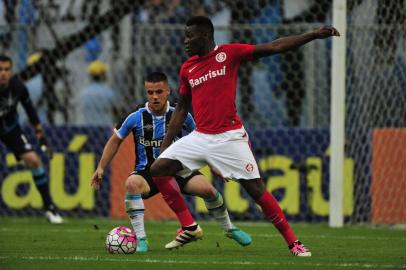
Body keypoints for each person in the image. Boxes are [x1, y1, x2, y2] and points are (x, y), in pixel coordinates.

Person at [149, 16, 339, 256]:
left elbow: (274, 46)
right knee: (158, 169)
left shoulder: (229, 54)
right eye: (185, 36)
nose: (185, 41)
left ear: (205, 35)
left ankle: (294, 242)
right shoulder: (188, 68)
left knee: (256, 190)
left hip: (229, 137)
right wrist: (165, 147)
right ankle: (189, 225)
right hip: (200, 137)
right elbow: (181, 108)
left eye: (190, 36)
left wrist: (311, 35)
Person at [91, 71, 252, 252]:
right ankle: (142, 240)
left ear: (168, 90)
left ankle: (230, 228)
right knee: (131, 184)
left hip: (177, 168)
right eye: (150, 93)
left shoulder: (181, 114)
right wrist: (101, 167)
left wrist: (214, 165)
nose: (154, 97)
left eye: (159, 91)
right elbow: (116, 139)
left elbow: (203, 140)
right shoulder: (136, 116)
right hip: (148, 172)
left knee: (208, 189)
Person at [0, 54, 63, 224]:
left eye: (7, 69)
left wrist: (40, 137)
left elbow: (31, 113)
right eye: (0, 70)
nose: (3, 73)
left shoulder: (18, 86)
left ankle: (50, 208)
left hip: (9, 128)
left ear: (11, 71)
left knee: (34, 161)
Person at [76, 60, 121, 126]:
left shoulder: (84, 93)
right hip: (105, 128)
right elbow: (116, 111)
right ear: (103, 75)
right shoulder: (109, 92)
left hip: (87, 128)